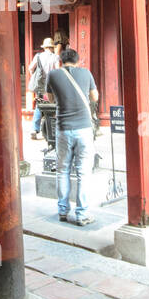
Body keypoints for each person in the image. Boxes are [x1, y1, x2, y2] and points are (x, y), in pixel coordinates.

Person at [46, 47, 98, 226]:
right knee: (84, 172)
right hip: (83, 128)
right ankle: (82, 214)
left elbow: (51, 99)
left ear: (61, 60)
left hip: (63, 128)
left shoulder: (53, 75)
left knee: (63, 170)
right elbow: (94, 97)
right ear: (77, 60)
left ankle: (62, 210)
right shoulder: (86, 73)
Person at [27, 37, 60, 140]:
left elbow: (30, 68)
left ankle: (34, 129)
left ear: (45, 47)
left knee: (39, 105)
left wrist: (36, 76)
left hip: (41, 86)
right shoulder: (55, 57)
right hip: (52, 85)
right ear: (52, 47)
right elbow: (58, 71)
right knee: (54, 105)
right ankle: (55, 129)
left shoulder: (38, 56)